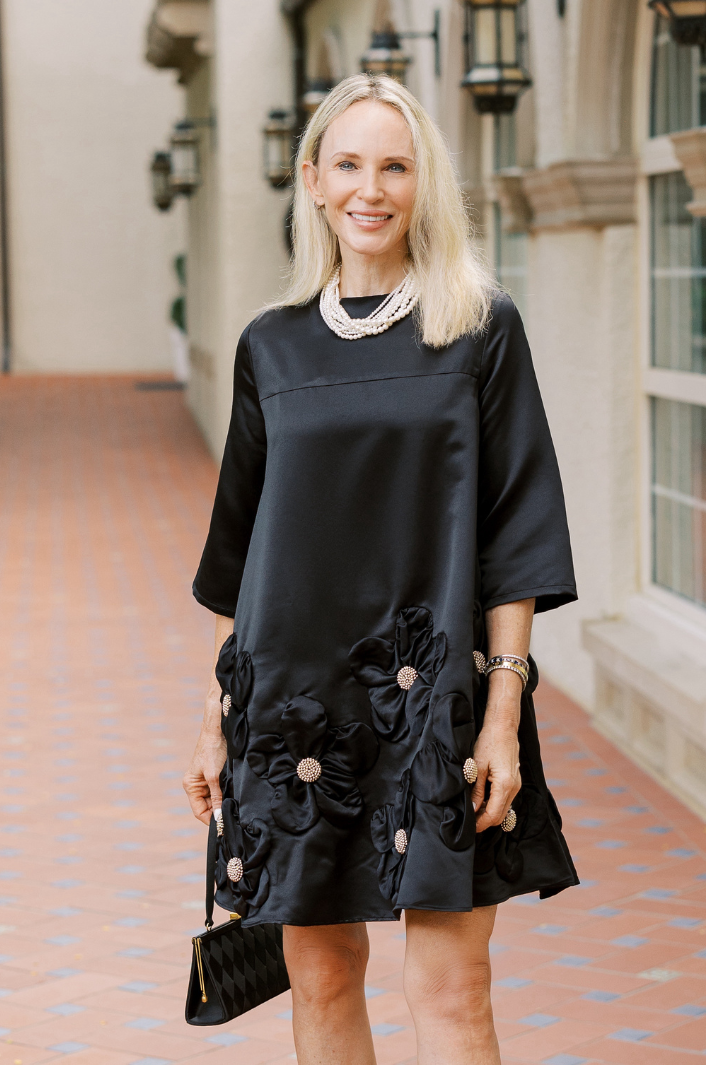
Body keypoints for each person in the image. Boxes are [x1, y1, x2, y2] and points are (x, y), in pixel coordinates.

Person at [184, 73, 578, 1065]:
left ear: (422, 182)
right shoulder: (267, 348)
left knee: (451, 990)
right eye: (349, 164)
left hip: (435, 696)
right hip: (292, 707)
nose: (371, 188)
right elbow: (242, 550)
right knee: (318, 979)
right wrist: (214, 721)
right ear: (312, 180)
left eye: (394, 165)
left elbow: (515, 530)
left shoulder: (479, 327)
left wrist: (501, 714)